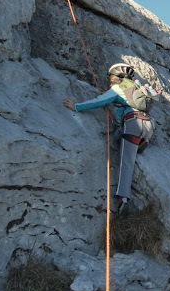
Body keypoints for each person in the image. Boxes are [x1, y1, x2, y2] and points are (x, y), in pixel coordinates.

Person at [64, 63, 154, 215]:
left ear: (117, 77)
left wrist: (76, 107)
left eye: (111, 77)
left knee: (126, 162)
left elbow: (98, 101)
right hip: (150, 126)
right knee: (131, 139)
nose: (109, 80)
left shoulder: (117, 89)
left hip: (133, 125)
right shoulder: (138, 88)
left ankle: (123, 199)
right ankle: (144, 141)